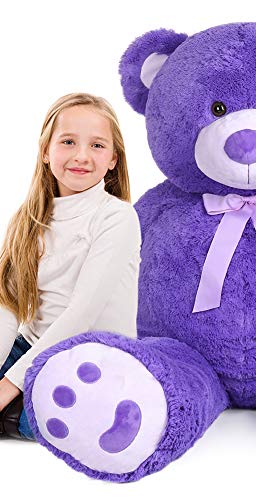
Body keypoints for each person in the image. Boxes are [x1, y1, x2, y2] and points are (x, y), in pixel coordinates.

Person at [0, 93, 141, 439]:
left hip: (91, 360)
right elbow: (9, 305)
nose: (81, 155)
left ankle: (21, 416)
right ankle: (17, 413)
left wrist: (8, 386)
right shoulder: (28, 219)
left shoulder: (116, 217)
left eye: (97, 145)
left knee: (67, 415)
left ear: (113, 159)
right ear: (46, 151)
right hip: (34, 348)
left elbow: (82, 314)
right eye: (68, 142)